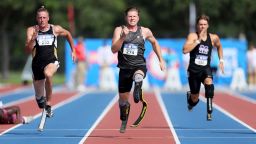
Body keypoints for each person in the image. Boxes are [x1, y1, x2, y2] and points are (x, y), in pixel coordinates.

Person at [111, 7, 166, 133]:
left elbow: (155, 43)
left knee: (139, 74)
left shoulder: (145, 31)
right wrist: (122, 38)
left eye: (134, 16)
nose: (132, 18)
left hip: (139, 65)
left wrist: (161, 60)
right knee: (123, 101)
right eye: (130, 16)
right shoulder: (119, 30)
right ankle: (124, 118)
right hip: (124, 69)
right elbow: (113, 49)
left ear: (138, 18)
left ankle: (138, 85)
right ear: (126, 18)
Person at [25, 6, 76, 118]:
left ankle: (49, 104)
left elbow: (67, 34)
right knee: (39, 101)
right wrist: (33, 39)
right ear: (36, 19)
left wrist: (73, 50)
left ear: (48, 18)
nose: (42, 20)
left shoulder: (55, 29)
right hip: (37, 65)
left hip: (52, 61)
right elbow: (27, 50)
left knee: (48, 74)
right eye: (40, 18)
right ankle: (41, 100)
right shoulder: (31, 30)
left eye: (44, 17)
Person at [183, 14, 224, 121]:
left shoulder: (214, 37)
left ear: (208, 25)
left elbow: (219, 47)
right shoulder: (193, 36)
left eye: (204, 24)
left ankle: (209, 110)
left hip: (205, 68)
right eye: (200, 24)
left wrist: (221, 60)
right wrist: (198, 41)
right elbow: (185, 50)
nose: (202, 26)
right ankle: (191, 101)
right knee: (195, 98)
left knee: (209, 85)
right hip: (193, 70)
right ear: (197, 26)